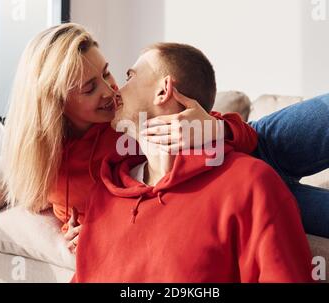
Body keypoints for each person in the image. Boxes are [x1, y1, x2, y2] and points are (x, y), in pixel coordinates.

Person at [1, 23, 256, 253]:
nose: (110, 90)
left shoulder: (128, 120)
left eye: (107, 73)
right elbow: (59, 209)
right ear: (56, 103)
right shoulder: (47, 166)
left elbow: (247, 135)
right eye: (90, 88)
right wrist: (74, 232)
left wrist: (214, 128)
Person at [72, 43, 314, 282]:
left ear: (163, 91)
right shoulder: (105, 192)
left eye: (129, 76)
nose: (115, 90)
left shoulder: (249, 184)